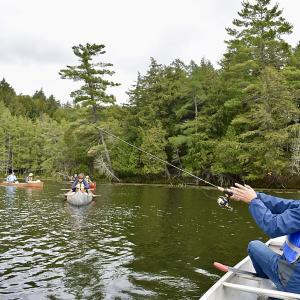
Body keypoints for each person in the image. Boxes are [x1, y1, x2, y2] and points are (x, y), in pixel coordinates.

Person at [228, 183, 300, 294]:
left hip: (294, 283)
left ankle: (272, 286)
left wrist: (254, 201)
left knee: (254, 246)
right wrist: (252, 196)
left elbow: (272, 227)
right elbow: (282, 204)